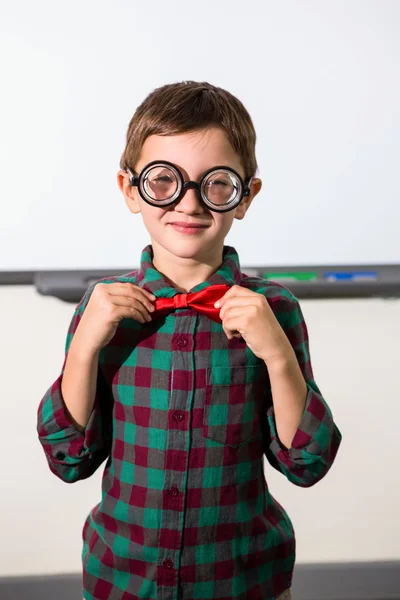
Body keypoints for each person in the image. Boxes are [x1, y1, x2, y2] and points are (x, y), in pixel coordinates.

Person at [36, 80, 342, 600]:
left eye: (217, 183)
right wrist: (85, 347)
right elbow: (69, 458)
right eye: (164, 181)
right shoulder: (102, 309)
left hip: (245, 579)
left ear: (246, 196)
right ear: (131, 189)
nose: (190, 204)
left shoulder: (275, 309)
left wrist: (277, 355)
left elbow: (306, 462)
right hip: (124, 576)